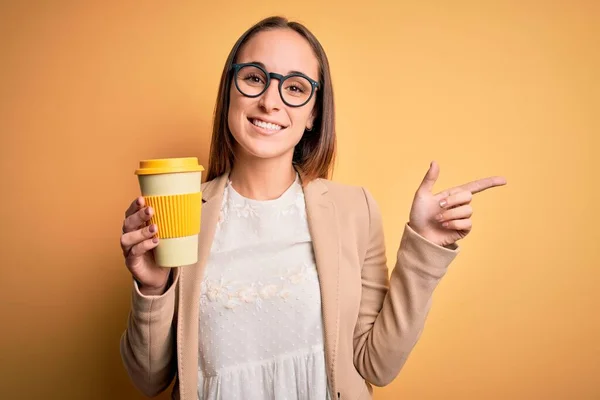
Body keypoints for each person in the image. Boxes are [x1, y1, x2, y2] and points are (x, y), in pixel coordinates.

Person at [119, 16, 506, 400]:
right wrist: (152, 288)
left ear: (314, 113)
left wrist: (425, 246)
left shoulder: (355, 210)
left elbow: (377, 365)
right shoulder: (180, 211)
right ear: (230, 91)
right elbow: (150, 379)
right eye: (254, 78)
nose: (270, 102)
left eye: (295, 87)